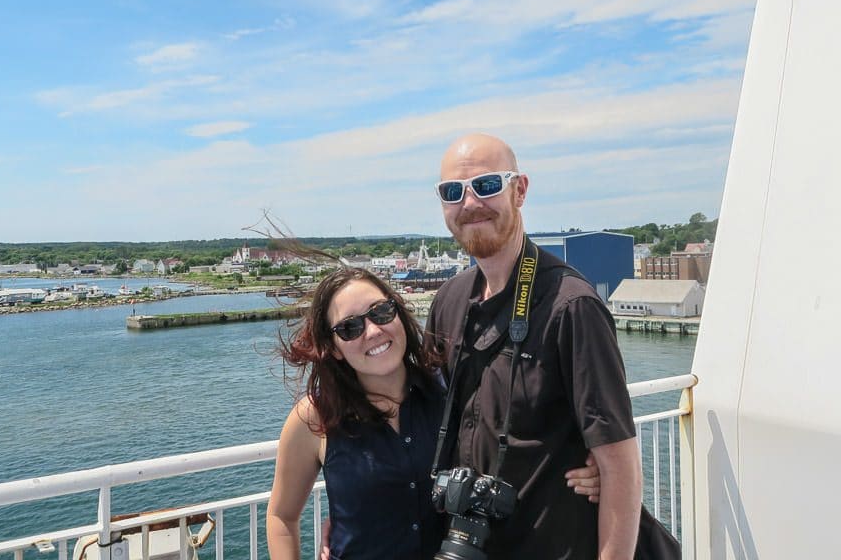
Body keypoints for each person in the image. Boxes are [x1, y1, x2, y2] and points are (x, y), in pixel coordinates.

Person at [265, 266, 603, 560]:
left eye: (381, 312)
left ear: (399, 314)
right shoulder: (315, 418)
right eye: (350, 328)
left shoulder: (448, 392)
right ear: (334, 348)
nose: (372, 331)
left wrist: (588, 467)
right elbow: (282, 516)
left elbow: (517, 436)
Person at [424, 133, 643, 559]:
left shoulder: (572, 306)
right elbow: (411, 409)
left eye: (486, 186)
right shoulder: (448, 301)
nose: (469, 204)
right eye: (453, 192)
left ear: (519, 190)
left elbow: (621, 467)